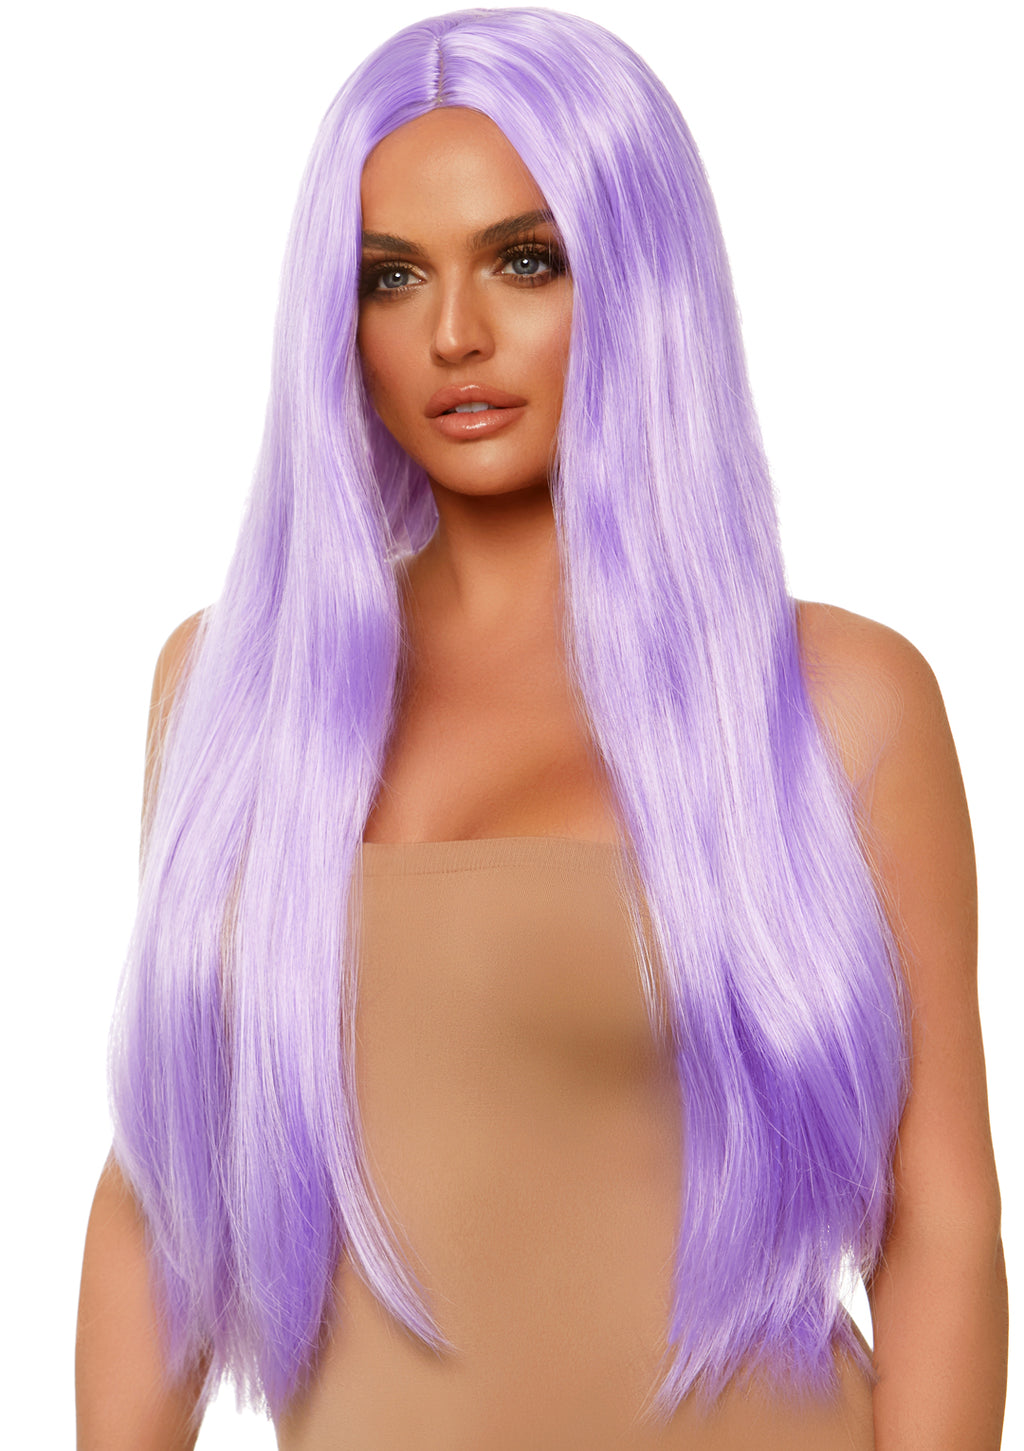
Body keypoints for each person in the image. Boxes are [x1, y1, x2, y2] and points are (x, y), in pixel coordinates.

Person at [75, 8, 1007, 1449]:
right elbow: (163, 1187)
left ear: (639, 278)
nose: (455, 332)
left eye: (526, 260)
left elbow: (939, 1221)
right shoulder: (229, 689)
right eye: (392, 277)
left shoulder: (837, 698)